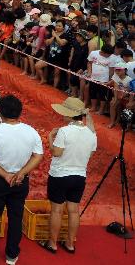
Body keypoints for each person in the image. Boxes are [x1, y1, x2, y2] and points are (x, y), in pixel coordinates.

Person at [0, 94, 43, 265]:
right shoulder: (31, 132)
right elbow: (38, 156)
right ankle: (12, 255)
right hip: (20, 181)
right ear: (20, 112)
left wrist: (5, 175)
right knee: (16, 217)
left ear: (1, 113)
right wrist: (21, 173)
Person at [37, 97, 98, 254]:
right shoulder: (91, 134)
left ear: (70, 114)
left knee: (57, 210)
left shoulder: (64, 131)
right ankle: (70, 243)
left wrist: (50, 138)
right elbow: (90, 153)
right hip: (79, 176)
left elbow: (56, 153)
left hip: (60, 175)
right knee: (73, 210)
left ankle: (52, 243)